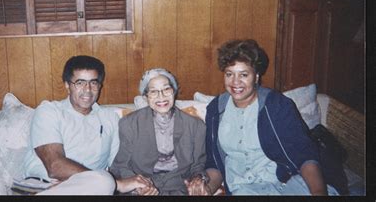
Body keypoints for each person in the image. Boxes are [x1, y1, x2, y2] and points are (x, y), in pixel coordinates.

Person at [186, 39, 338, 196]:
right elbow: (215, 164)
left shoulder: (276, 105)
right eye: (229, 74)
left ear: (256, 76)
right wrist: (207, 189)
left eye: (244, 74)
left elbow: (305, 155)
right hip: (244, 189)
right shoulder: (215, 110)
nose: (235, 82)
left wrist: (319, 192)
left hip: (287, 184)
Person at [21, 55, 151, 195]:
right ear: (67, 85)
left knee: (105, 183)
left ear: (99, 86)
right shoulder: (49, 111)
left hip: (93, 190)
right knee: (104, 181)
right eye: (80, 83)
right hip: (43, 186)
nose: (87, 89)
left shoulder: (110, 119)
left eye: (93, 83)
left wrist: (139, 186)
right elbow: (54, 166)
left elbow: (118, 167)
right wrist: (114, 183)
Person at [109, 68, 207, 195]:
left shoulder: (196, 125)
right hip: (142, 187)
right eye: (154, 92)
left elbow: (198, 164)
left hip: (179, 187)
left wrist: (197, 179)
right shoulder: (129, 123)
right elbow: (121, 165)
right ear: (146, 97)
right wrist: (136, 185)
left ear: (174, 92)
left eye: (166, 89)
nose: (161, 96)